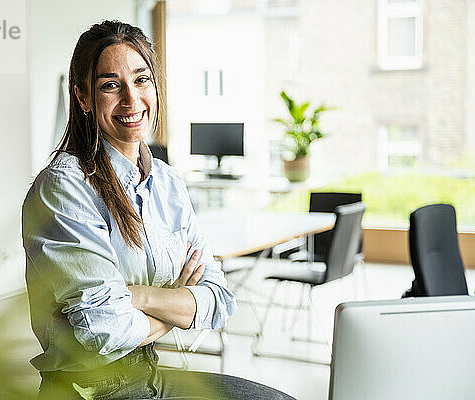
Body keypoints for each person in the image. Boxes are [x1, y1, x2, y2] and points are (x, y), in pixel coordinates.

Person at [22, 20, 295, 400]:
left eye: (141, 80)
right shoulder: (65, 187)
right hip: (91, 390)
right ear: (83, 98)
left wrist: (138, 296)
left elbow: (218, 299)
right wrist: (176, 306)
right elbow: (103, 329)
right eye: (110, 85)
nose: (131, 101)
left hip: (150, 373)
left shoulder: (167, 183)